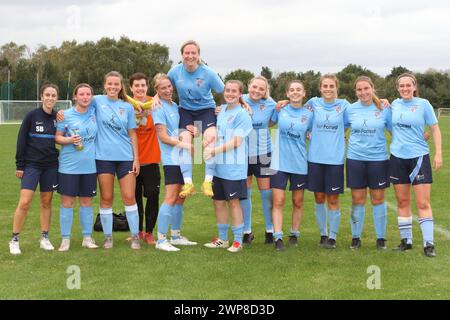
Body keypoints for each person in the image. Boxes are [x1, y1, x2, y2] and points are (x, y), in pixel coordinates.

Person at [389, 73, 442, 257]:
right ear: (397, 88)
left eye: (408, 85)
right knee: (402, 201)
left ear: (414, 86)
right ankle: (406, 241)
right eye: (401, 86)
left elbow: (434, 128)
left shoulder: (423, 104)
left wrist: (438, 153)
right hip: (397, 157)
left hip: (418, 157)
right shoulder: (393, 105)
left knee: (422, 202)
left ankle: (429, 244)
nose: (404, 88)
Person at [166, 40, 225, 198]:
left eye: (194, 53)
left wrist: (223, 107)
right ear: (182, 55)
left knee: (211, 138)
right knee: (184, 141)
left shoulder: (208, 73)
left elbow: (224, 91)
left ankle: (207, 181)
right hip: (185, 111)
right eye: (187, 53)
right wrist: (157, 97)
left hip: (206, 111)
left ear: (199, 55)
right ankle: (188, 183)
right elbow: (162, 85)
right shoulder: (175, 72)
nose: (190, 56)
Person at [9, 83, 60, 255]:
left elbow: (62, 137)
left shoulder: (58, 117)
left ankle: (44, 238)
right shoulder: (32, 116)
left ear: (57, 98)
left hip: (51, 166)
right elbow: (21, 140)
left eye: (53, 95)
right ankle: (14, 239)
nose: (50, 98)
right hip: (31, 165)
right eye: (47, 95)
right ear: (41, 97)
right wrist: (20, 165)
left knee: (46, 202)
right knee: (24, 202)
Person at [203, 80, 253, 253]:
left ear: (240, 94)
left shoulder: (242, 114)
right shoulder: (222, 110)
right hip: (218, 167)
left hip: (234, 168)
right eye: (227, 90)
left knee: (233, 203)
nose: (230, 93)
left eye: (234, 91)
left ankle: (238, 241)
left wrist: (214, 150)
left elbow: (237, 141)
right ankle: (223, 239)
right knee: (218, 203)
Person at [151, 73, 197, 251]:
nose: (168, 90)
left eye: (169, 86)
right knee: (170, 196)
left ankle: (176, 235)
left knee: (181, 197)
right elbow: (162, 137)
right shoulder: (158, 107)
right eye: (163, 88)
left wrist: (192, 132)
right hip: (171, 158)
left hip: (183, 157)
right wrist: (185, 144)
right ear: (157, 90)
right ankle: (161, 240)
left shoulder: (175, 106)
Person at [344, 76, 392, 250]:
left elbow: (396, 131)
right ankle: (356, 238)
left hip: (378, 160)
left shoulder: (384, 108)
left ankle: (381, 239)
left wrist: (419, 138)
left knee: (378, 199)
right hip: (355, 159)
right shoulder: (350, 109)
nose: (363, 92)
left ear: (372, 88)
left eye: (366, 88)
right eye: (359, 89)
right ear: (355, 92)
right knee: (357, 199)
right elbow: (339, 128)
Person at [305, 75, 350, 249]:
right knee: (318, 197)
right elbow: (300, 115)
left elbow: (348, 122)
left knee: (333, 198)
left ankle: (333, 236)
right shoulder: (313, 103)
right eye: (325, 86)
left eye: (331, 86)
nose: (328, 89)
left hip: (335, 159)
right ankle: (323, 234)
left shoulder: (344, 105)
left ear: (336, 87)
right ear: (320, 88)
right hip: (315, 158)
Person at [55, 83, 99, 251]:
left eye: (88, 94)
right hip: (68, 167)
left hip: (89, 166)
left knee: (87, 202)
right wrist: (69, 140)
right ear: (75, 97)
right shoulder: (64, 115)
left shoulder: (95, 112)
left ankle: (87, 238)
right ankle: (65, 240)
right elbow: (57, 137)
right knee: (67, 202)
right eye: (81, 94)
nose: (85, 97)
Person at [270, 80, 313, 251]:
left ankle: (294, 233)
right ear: (287, 93)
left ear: (304, 94)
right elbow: (269, 123)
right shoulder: (280, 109)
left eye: (299, 90)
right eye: (292, 90)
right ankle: (277, 237)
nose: (295, 92)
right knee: (278, 201)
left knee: (298, 201)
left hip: (299, 162)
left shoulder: (309, 114)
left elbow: (312, 133)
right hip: (279, 161)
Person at [241, 76, 277, 245]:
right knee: (245, 193)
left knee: (266, 193)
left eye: (261, 89)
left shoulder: (270, 104)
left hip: (263, 153)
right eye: (254, 86)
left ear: (265, 91)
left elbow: (273, 121)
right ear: (249, 85)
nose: (256, 90)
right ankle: (246, 231)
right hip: (242, 154)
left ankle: (270, 230)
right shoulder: (240, 100)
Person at [129, 73, 161, 245]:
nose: (140, 88)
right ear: (131, 88)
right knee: (134, 198)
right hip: (131, 160)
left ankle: (149, 232)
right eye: (137, 85)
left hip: (151, 160)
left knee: (153, 195)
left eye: (143, 85)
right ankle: (138, 231)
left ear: (147, 87)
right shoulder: (125, 105)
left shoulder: (156, 103)